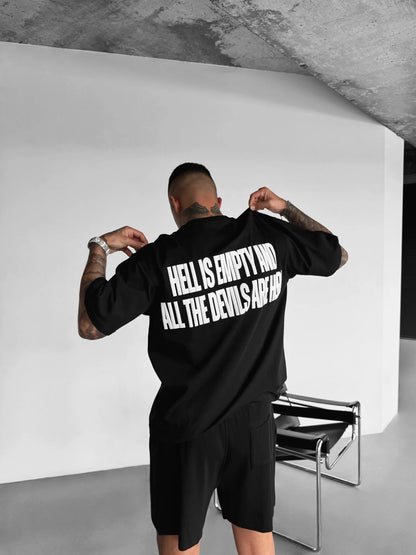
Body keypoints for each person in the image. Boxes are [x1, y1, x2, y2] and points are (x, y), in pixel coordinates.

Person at [78, 162, 348, 555]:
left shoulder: (156, 259)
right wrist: (284, 207)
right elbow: (337, 255)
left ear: (175, 204)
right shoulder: (265, 235)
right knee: (255, 538)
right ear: (217, 201)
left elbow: (90, 325)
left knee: (180, 540)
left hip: (187, 426)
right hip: (254, 421)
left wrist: (100, 246)